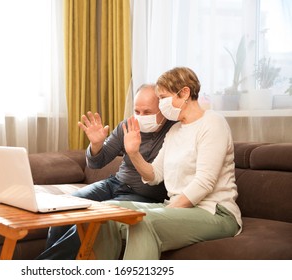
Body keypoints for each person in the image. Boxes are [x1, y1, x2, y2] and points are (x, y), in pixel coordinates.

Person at [92, 67, 242, 260]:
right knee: (106, 213)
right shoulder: (175, 131)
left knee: (143, 222)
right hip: (181, 209)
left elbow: (204, 182)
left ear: (185, 93)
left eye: (163, 97)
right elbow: (154, 175)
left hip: (215, 212)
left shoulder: (213, 123)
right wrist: (134, 153)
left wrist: (164, 211)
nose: (161, 104)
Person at [35, 84, 176, 259]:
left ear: (163, 108)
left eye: (147, 112)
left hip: (144, 195)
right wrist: (96, 145)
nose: (140, 117)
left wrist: (134, 152)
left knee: (92, 221)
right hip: (115, 183)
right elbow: (97, 163)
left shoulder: (174, 132)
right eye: (137, 111)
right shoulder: (127, 125)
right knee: (63, 207)